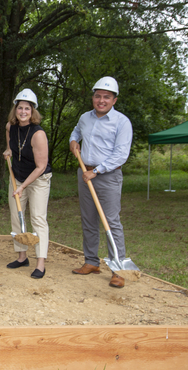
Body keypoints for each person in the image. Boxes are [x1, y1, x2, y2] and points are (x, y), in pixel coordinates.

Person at [69, 76, 132, 288]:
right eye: (98, 96)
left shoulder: (122, 122)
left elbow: (121, 154)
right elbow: (77, 131)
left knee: (111, 222)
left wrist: (96, 171)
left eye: (107, 97)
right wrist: (73, 140)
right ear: (93, 97)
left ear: (114, 100)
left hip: (107, 176)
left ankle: (117, 270)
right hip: (84, 174)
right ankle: (91, 262)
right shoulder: (85, 118)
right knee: (88, 220)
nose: (101, 100)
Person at [3, 89, 52, 279]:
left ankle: (41, 262)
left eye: (27, 109)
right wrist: (8, 149)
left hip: (38, 179)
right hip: (17, 176)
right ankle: (22, 257)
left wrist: (23, 187)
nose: (23, 112)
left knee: (38, 218)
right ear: (15, 110)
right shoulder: (11, 126)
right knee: (17, 215)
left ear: (33, 112)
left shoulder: (38, 134)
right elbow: (9, 135)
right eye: (20, 108)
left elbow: (41, 166)